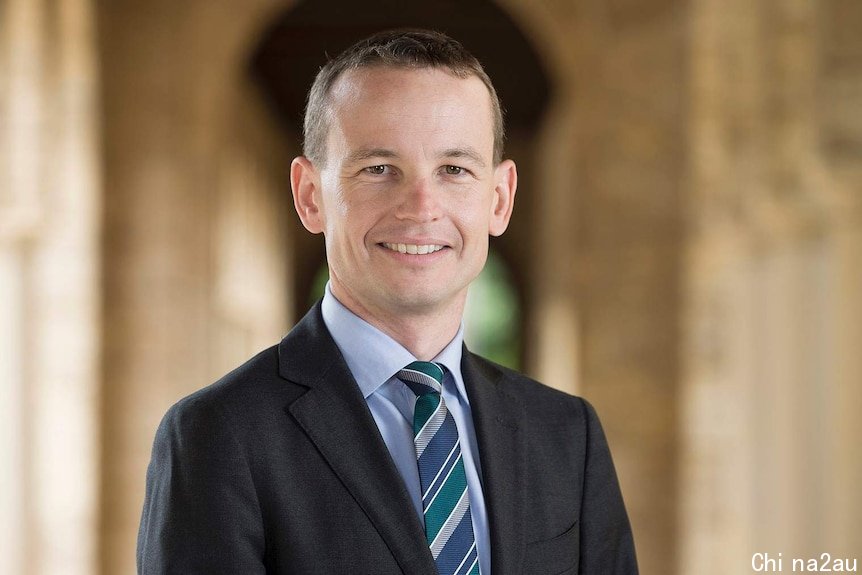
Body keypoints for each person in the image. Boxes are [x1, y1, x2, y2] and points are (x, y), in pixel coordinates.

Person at [137, 29, 638, 575]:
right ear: (310, 197)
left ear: (499, 199)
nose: (422, 206)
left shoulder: (568, 435)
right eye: (378, 168)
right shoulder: (217, 436)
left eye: (454, 170)